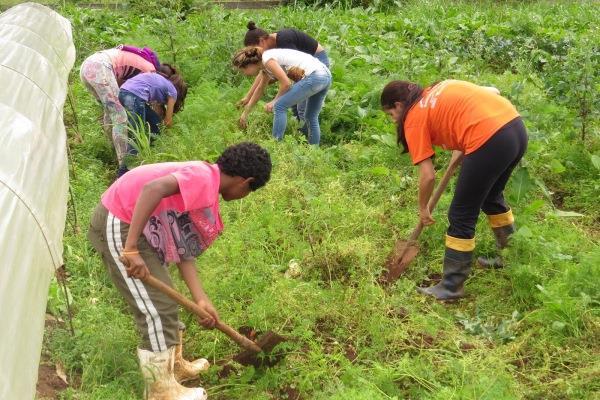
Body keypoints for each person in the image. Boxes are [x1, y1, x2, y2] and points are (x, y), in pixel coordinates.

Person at [87, 142, 272, 399]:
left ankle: (174, 368)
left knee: (165, 298)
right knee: (158, 308)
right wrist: (130, 249)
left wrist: (201, 299)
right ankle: (160, 391)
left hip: (138, 227)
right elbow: (153, 188)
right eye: (250, 190)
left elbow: (184, 248)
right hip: (121, 222)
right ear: (245, 182)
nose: (245, 195)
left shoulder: (207, 183)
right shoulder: (203, 178)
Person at [380, 79, 528, 300]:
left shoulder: (413, 118)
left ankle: (451, 286)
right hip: (514, 128)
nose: (394, 121)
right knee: (491, 196)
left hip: (489, 138)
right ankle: (510, 255)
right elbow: (492, 90)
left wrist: (423, 207)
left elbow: (428, 175)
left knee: (461, 214)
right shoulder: (440, 88)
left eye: (391, 115)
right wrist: (463, 134)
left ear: (399, 105)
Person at [80, 46, 164, 176]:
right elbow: (143, 95)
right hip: (100, 68)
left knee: (110, 111)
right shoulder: (150, 70)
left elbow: (123, 89)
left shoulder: (134, 61)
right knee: (120, 117)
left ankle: (113, 150)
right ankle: (125, 166)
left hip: (87, 67)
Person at [238, 21, 330, 131]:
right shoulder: (269, 51)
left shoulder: (283, 40)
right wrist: (248, 97)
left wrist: (275, 97)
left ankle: (307, 140)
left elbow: (293, 72)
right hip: (304, 69)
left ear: (262, 41)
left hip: (316, 63)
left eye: (254, 48)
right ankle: (300, 135)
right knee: (293, 105)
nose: (254, 53)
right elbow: (264, 76)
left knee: (301, 108)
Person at [233, 46, 331, 145]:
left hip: (315, 75)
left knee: (279, 106)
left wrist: (274, 101)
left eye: (243, 70)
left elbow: (286, 83)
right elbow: (260, 89)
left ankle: (275, 144)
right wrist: (245, 113)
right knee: (310, 116)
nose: (244, 74)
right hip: (325, 75)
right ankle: (314, 150)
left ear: (249, 65)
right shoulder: (265, 66)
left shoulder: (267, 60)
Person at [118, 71, 188, 173]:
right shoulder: (173, 92)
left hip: (124, 91)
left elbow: (159, 117)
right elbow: (168, 122)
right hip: (134, 96)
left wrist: (161, 126)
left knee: (156, 123)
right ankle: (122, 174)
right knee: (137, 137)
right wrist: (170, 136)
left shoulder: (162, 82)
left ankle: (148, 152)